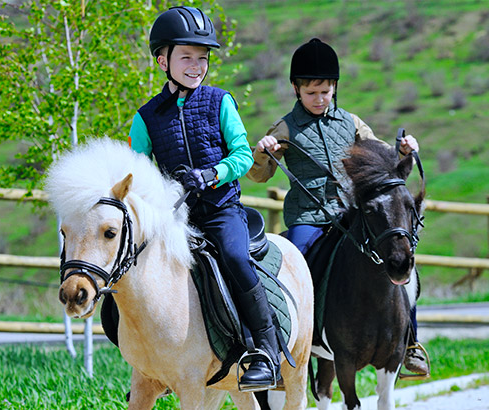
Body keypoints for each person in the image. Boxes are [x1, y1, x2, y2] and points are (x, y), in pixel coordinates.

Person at [246, 38, 429, 377]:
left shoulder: (352, 123)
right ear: (296, 89)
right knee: (294, 266)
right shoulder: (286, 127)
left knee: (401, 259)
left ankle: (410, 345)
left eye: (325, 92)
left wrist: (403, 152)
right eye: (311, 92)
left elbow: (383, 161)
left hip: (350, 214)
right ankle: (287, 341)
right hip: (307, 219)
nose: (319, 99)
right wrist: (263, 150)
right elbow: (259, 174)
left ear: (334, 88)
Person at [128, 6, 281, 390]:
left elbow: (244, 155)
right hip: (174, 218)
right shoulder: (145, 118)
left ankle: (265, 351)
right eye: (186, 58)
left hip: (220, 210)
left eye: (202, 58)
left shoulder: (219, 102)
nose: (196, 66)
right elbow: (136, 171)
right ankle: (139, 353)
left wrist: (212, 174)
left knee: (233, 256)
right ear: (162, 60)